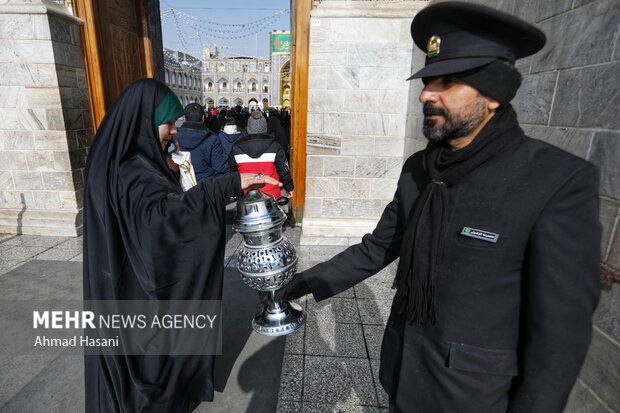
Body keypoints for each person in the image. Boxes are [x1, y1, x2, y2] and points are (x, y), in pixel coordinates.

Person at [279, 3, 601, 412]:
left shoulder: (556, 181)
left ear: (494, 95)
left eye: (448, 82)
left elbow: (560, 333)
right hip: (403, 372)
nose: (426, 93)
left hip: (475, 396)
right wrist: (301, 283)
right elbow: (378, 247)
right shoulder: (419, 169)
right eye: (429, 79)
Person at [83, 78, 281, 412]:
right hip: (136, 291)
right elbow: (163, 222)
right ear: (144, 121)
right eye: (169, 124)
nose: (175, 131)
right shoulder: (130, 170)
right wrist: (227, 185)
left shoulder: (125, 160)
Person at [229, 110, 293, 200]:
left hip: (247, 194)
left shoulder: (236, 148)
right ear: (265, 127)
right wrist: (289, 187)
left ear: (249, 128)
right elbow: (283, 169)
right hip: (271, 194)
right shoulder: (274, 146)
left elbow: (233, 172)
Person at [176, 102, 229, 182]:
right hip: (204, 187)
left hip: (179, 186)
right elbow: (221, 168)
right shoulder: (211, 138)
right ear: (203, 118)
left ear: (184, 117)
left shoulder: (173, 137)